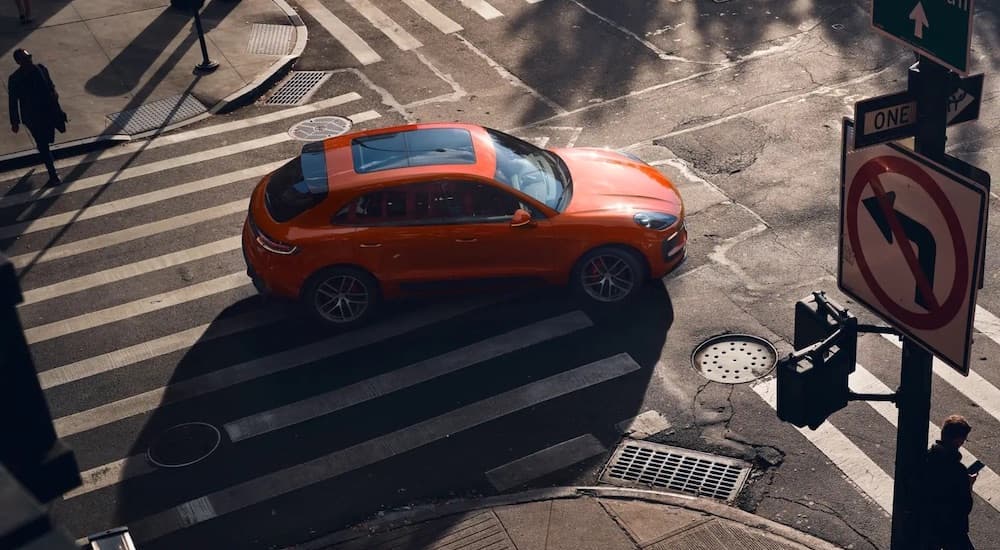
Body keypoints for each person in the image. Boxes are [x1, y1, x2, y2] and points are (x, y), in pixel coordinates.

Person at [8, 48, 65, 185]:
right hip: (33, 117)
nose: (29, 60)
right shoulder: (15, 79)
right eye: (25, 59)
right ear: (18, 62)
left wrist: (55, 97)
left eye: (29, 57)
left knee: (47, 140)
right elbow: (13, 102)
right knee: (43, 143)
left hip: (48, 111)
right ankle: (53, 174)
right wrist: (14, 122)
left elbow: (51, 86)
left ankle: (48, 160)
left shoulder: (41, 69)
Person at [921, 414, 977, 549]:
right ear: (958, 440)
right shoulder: (958, 471)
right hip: (952, 529)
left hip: (927, 525)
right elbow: (964, 507)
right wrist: (969, 485)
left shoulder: (926, 457)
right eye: (964, 439)